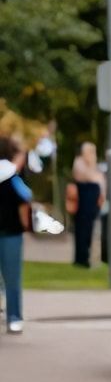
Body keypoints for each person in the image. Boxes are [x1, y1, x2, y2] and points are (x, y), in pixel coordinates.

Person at [0, 137, 32, 333]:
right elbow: (25, 198)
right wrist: (25, 225)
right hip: (11, 231)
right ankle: (14, 317)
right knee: (12, 277)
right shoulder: (13, 177)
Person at [68, 142, 103, 268]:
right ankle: (81, 258)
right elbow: (88, 177)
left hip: (92, 198)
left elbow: (99, 179)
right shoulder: (79, 162)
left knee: (89, 228)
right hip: (84, 197)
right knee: (81, 229)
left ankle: (87, 256)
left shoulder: (94, 165)